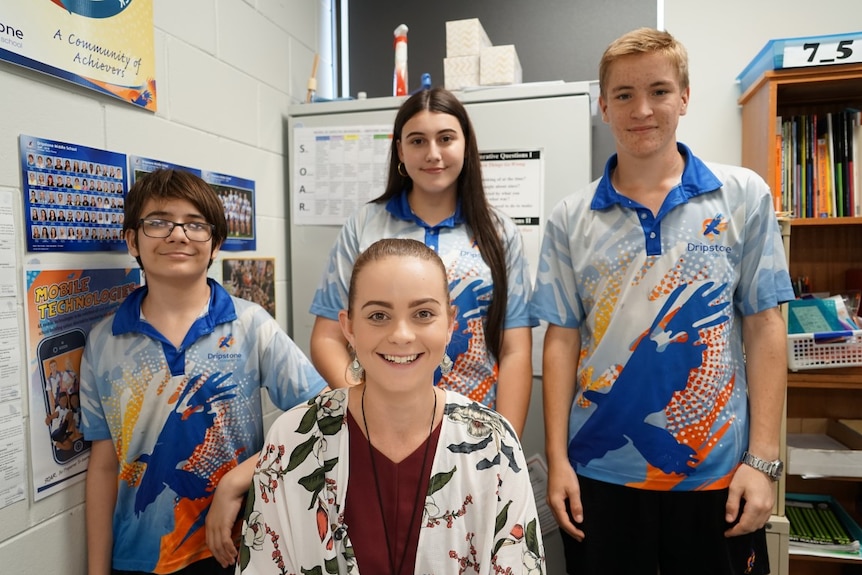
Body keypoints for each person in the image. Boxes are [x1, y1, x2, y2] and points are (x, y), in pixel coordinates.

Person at [529, 28, 794, 575]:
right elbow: (560, 341)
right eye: (623, 95)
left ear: (685, 97)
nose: (642, 109)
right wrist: (557, 459)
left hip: (716, 475)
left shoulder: (742, 196)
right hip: (598, 482)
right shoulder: (571, 217)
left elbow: (766, 327)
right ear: (603, 105)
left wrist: (763, 464)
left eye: (659, 90)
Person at [240, 238, 544, 574]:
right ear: (349, 327)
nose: (401, 335)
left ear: (450, 324)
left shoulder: (493, 443)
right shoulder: (294, 439)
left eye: (423, 314)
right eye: (379, 315)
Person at [80, 168, 327, 575]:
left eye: (195, 225)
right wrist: (96, 569)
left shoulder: (251, 325)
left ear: (215, 246)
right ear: (131, 240)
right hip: (140, 555)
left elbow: (321, 416)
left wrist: (237, 481)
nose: (178, 235)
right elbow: (104, 464)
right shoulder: (104, 340)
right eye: (158, 222)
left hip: (239, 543)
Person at [309, 87, 535, 436]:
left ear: (465, 144)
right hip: (378, 428)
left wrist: (504, 442)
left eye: (445, 138)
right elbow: (327, 337)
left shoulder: (500, 233)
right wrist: (364, 403)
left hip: (473, 427)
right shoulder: (366, 225)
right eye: (417, 141)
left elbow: (515, 349)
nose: (433, 154)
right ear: (400, 149)